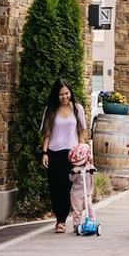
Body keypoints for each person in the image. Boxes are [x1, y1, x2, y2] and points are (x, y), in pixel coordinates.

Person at [41, 79, 87, 233]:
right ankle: (59, 218)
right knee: (55, 188)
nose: (64, 97)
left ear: (70, 93)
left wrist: (83, 151)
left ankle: (62, 220)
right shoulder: (50, 110)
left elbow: (81, 131)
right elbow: (46, 133)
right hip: (54, 153)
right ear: (56, 95)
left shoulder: (77, 108)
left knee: (68, 187)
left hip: (71, 154)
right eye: (61, 94)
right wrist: (44, 153)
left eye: (67, 93)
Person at [67, 143, 96, 232]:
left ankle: (92, 222)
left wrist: (92, 170)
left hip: (87, 192)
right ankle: (76, 225)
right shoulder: (75, 168)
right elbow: (71, 179)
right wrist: (73, 173)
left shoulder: (88, 165)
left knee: (89, 207)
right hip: (77, 193)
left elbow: (93, 171)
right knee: (77, 210)